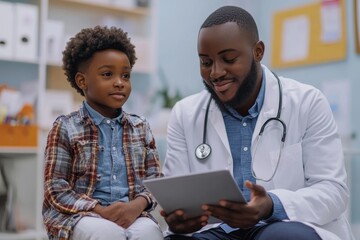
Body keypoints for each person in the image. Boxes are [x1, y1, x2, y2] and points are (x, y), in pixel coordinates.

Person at [161, 6, 354, 240]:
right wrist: (180, 222)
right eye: (205, 62)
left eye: (229, 59)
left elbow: (333, 192)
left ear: (258, 52)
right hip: (216, 231)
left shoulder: (307, 102)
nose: (215, 72)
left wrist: (271, 204)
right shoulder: (185, 114)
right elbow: (178, 197)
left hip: (281, 224)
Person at [42, 26, 163, 240]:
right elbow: (56, 189)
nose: (119, 82)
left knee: (150, 233)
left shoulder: (141, 127)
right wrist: (99, 210)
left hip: (132, 213)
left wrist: (136, 206)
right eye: (108, 74)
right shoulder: (65, 127)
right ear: (82, 81)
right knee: (106, 233)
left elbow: (155, 180)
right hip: (79, 216)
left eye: (125, 75)